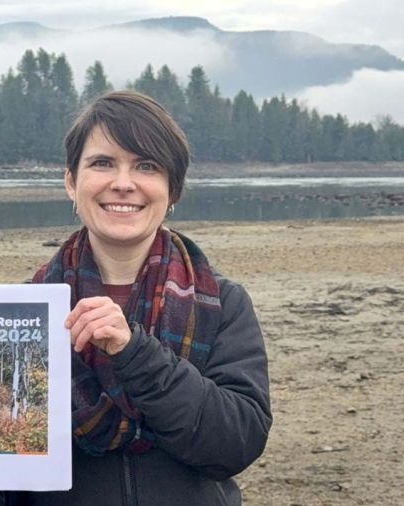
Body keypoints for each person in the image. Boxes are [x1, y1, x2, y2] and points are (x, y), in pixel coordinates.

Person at [24, 90, 271, 505]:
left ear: (172, 189)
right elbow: (6, 468)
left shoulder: (224, 303)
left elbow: (235, 444)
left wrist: (135, 351)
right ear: (71, 181)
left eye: (146, 166)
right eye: (102, 163)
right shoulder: (24, 310)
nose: (123, 183)